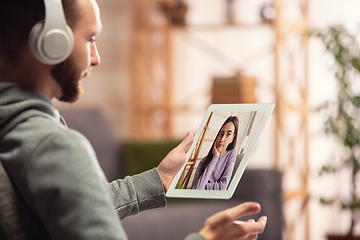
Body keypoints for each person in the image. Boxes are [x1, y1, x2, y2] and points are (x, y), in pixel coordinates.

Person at [0, 0, 267, 239]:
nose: (96, 58)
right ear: (50, 42)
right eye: (90, 38)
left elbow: (72, 205)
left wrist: (158, 179)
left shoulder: (15, 135)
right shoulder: (54, 146)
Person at [192, 116, 238, 190]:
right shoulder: (203, 162)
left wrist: (204, 186)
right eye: (221, 134)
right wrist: (215, 157)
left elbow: (223, 187)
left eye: (228, 134)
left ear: (232, 138)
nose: (222, 139)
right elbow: (195, 189)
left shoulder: (231, 153)